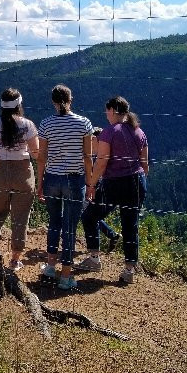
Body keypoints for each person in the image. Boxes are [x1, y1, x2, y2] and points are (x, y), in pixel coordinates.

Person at [76, 96, 148, 284]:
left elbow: (101, 162)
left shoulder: (109, 133)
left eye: (107, 110)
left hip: (115, 182)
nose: (106, 114)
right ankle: (129, 270)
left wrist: (91, 184)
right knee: (130, 225)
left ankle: (94, 259)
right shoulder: (139, 131)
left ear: (114, 110)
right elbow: (145, 164)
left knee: (90, 216)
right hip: (137, 181)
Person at [36, 84, 94, 290]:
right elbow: (87, 157)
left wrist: (39, 183)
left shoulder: (45, 125)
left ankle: (50, 267)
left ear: (53, 101)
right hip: (74, 179)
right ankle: (66, 276)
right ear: (71, 99)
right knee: (70, 227)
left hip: (52, 178)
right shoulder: (84, 123)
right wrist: (90, 183)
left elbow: (41, 157)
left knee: (54, 222)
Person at [0, 88, 39, 271]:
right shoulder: (28, 125)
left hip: (0, 172)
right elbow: (35, 154)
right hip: (23, 173)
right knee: (20, 218)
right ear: (19, 104)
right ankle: (15, 260)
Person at [91, 126, 121, 252]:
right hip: (108, 190)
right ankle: (112, 235)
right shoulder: (107, 154)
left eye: (92, 139)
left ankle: (95, 251)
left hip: (101, 189)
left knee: (90, 216)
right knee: (92, 215)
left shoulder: (98, 157)